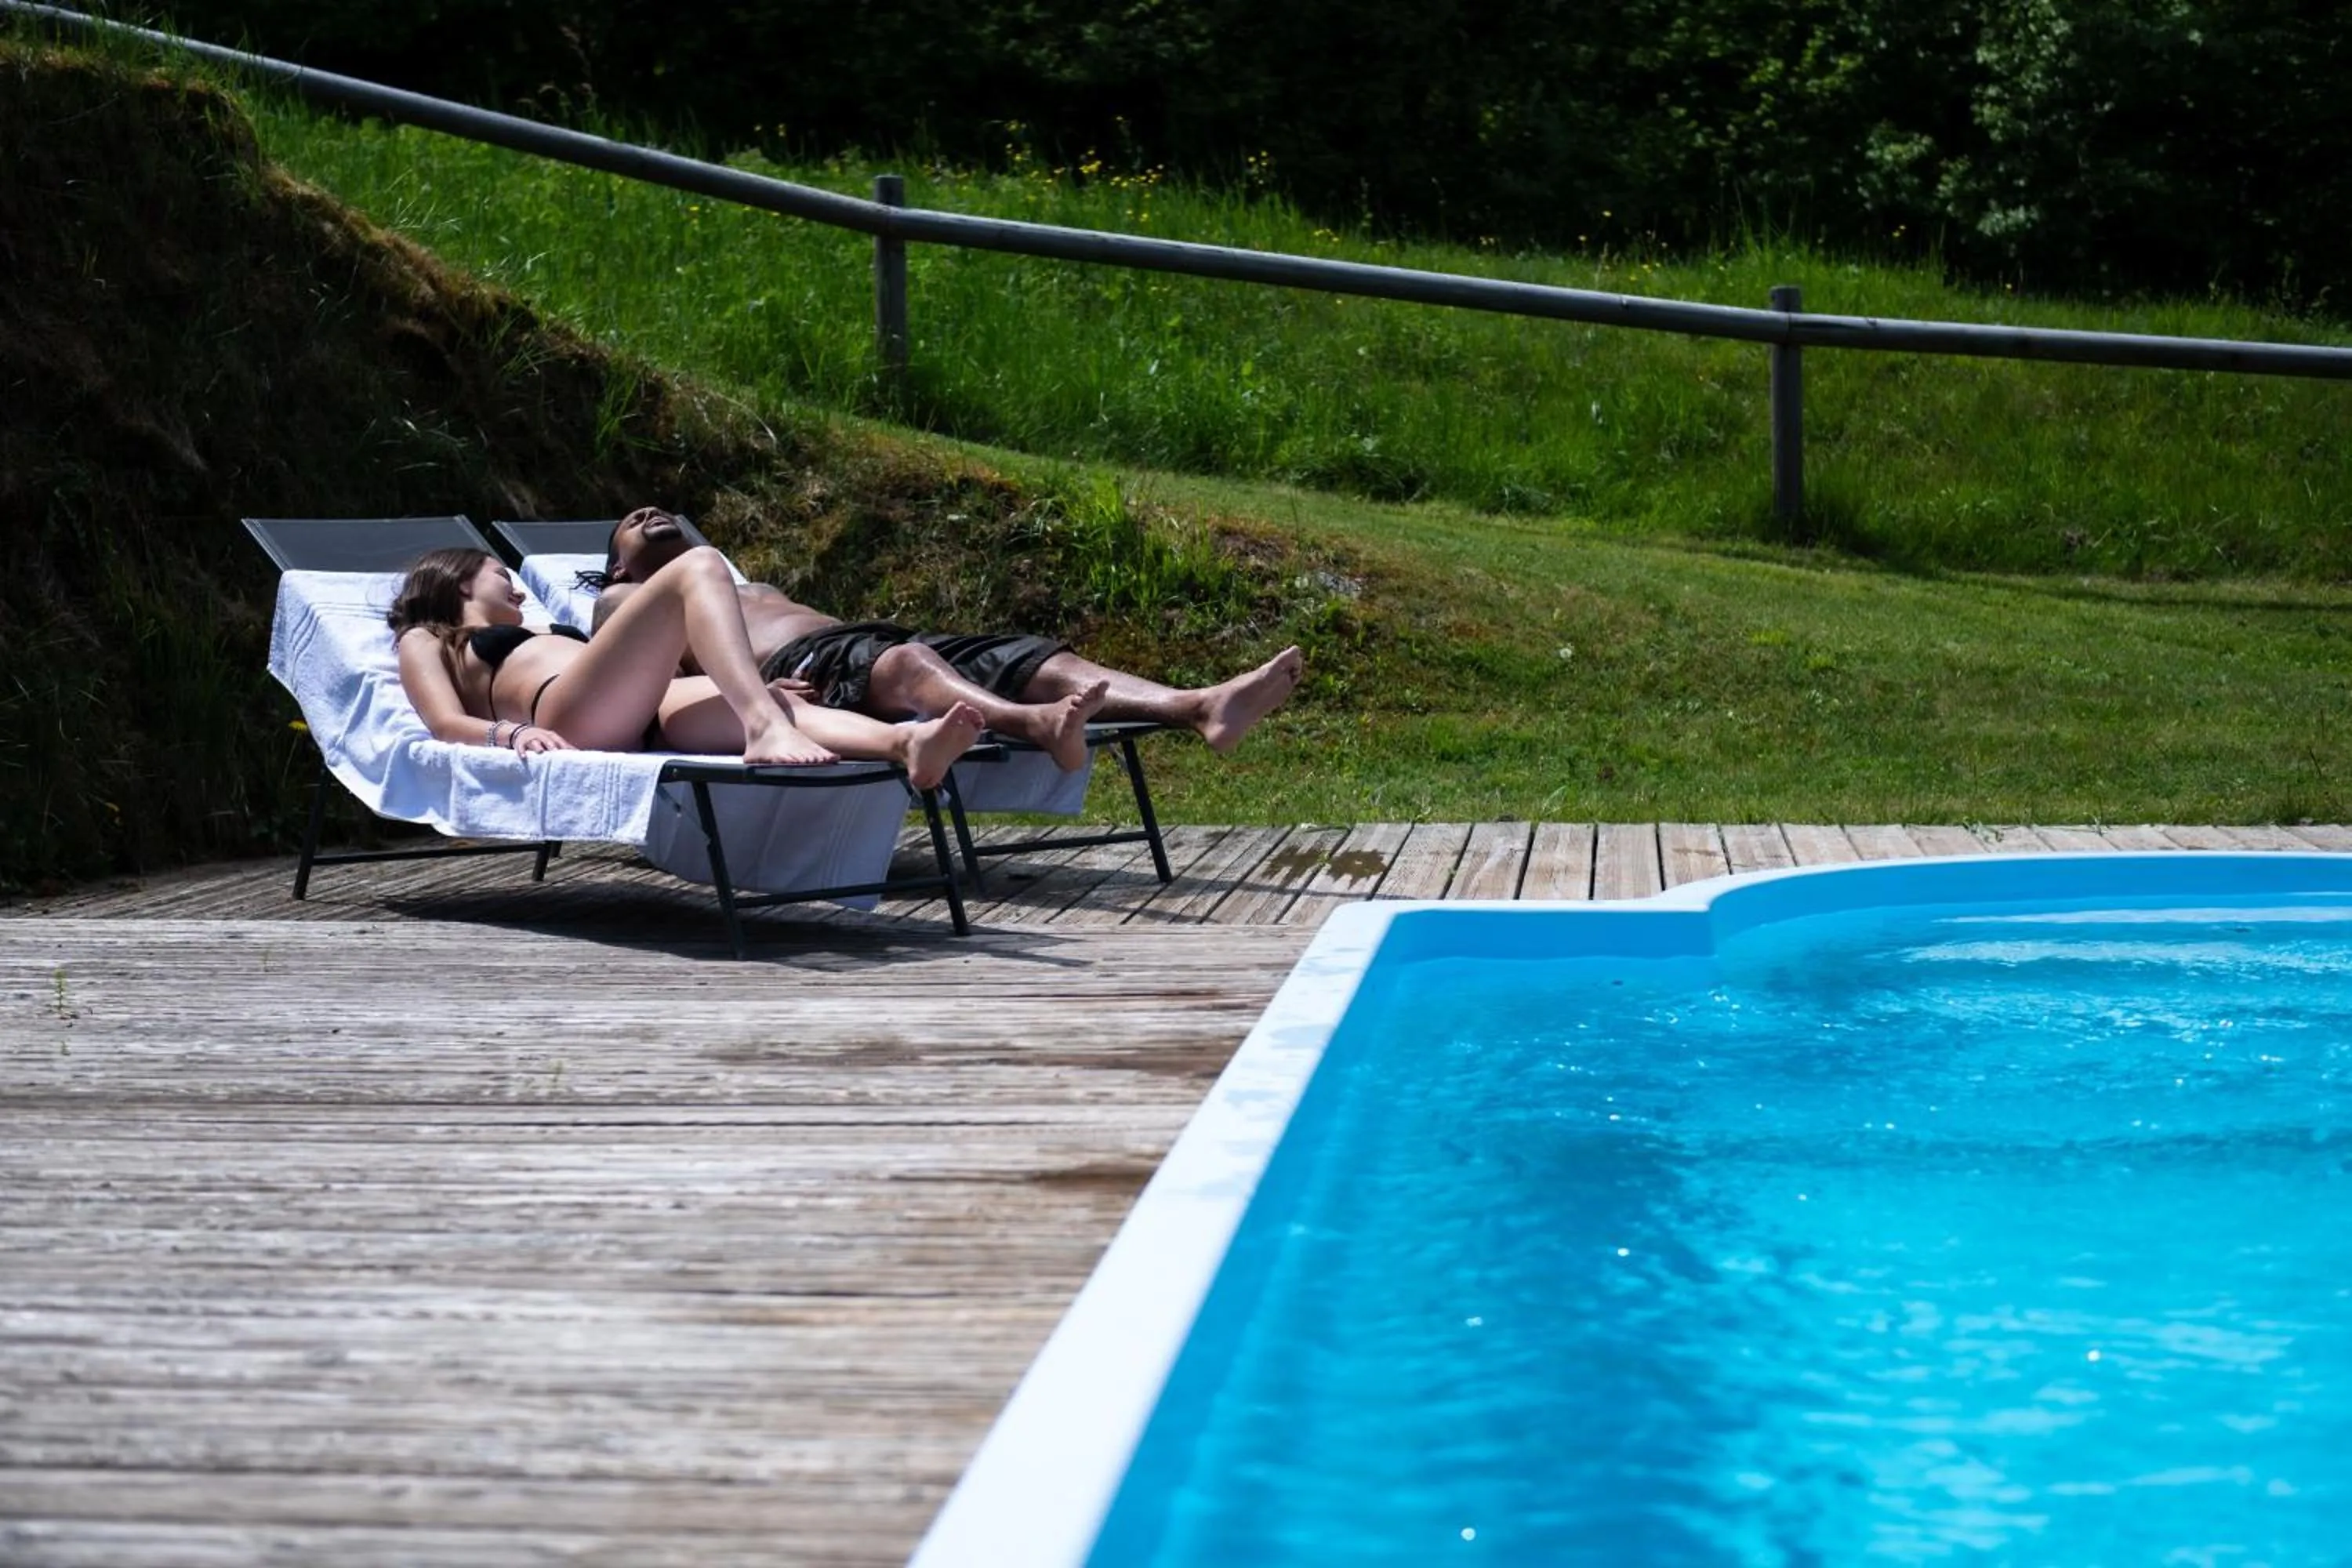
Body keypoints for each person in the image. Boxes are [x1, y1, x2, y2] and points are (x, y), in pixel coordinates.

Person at [586, 506, 1305, 771]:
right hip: (814, 669)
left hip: (859, 643)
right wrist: (757, 698)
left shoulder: (737, 585)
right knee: (906, 664)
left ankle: (1199, 707)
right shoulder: (624, 599)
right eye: (631, 520)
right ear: (618, 564)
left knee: (1027, 656)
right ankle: (1037, 726)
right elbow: (644, 688)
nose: (650, 510)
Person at [386, 545, 985, 789]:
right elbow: (441, 722)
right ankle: (761, 725)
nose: (516, 590)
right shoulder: (428, 638)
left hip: (636, 713)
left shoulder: (535, 630)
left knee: (785, 702)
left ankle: (906, 743)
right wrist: (511, 733)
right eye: (502, 577)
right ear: (460, 577)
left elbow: (651, 676)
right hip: (566, 711)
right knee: (698, 565)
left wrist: (746, 686)